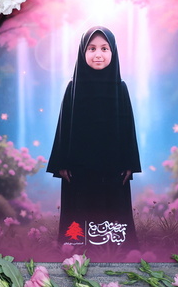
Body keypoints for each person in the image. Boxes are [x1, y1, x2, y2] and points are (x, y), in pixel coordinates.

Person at [47, 26, 141, 254]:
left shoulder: (121, 88)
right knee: (78, 208)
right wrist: (62, 163)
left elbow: (128, 127)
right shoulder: (73, 88)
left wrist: (129, 163)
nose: (98, 54)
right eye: (91, 48)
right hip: (80, 167)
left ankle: (118, 249)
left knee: (114, 207)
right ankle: (76, 248)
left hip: (113, 165)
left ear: (113, 52)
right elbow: (63, 127)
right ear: (82, 52)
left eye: (104, 48)